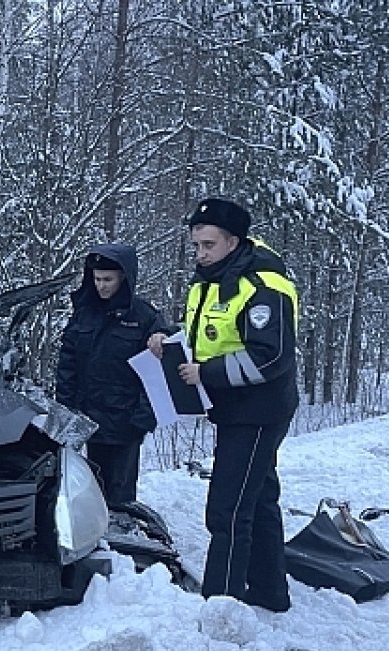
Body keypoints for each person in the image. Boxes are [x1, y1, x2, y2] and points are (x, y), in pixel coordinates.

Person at [147, 197, 299, 612]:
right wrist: (168, 339)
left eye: (209, 245)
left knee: (228, 510)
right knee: (260, 498)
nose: (200, 253)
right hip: (233, 410)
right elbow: (208, 335)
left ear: (234, 242)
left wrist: (206, 374)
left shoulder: (264, 287)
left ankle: (221, 604)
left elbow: (271, 355)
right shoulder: (211, 282)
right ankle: (270, 593)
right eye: (196, 245)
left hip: (258, 412)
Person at [56, 243, 170, 507]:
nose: (101, 286)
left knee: (120, 495)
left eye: (108, 279)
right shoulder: (85, 314)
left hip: (125, 421)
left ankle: (121, 539)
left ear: (123, 279)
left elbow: (158, 372)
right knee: (89, 490)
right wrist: (65, 409)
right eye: (96, 279)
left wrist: (143, 419)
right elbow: (67, 365)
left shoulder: (145, 317)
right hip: (88, 418)